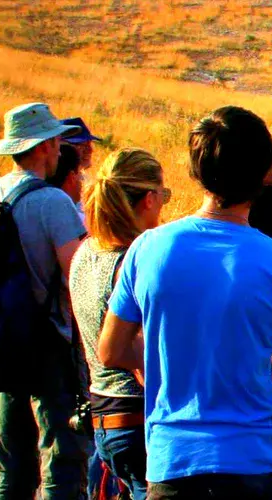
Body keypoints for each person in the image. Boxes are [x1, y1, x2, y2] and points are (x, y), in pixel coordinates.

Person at [96, 106, 272, 499]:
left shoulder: (148, 249)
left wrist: (165, 365)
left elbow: (111, 350)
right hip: (253, 466)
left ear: (196, 170)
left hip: (172, 466)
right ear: (264, 175)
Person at [0, 102, 92, 500]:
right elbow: (77, 279)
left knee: (11, 460)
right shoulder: (53, 202)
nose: (61, 147)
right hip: (48, 339)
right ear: (44, 147)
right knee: (63, 454)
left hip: (2, 338)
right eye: (57, 140)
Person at [70, 149, 170, 500]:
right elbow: (142, 356)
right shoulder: (135, 262)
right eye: (164, 196)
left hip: (102, 416)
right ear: (149, 199)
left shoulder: (86, 252)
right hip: (137, 420)